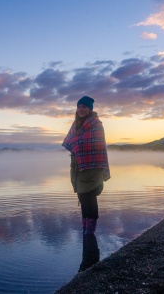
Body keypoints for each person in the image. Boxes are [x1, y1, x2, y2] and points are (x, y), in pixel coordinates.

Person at [62, 96, 110, 234]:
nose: (81, 109)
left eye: (84, 107)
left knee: (89, 196)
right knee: (82, 196)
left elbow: (98, 145)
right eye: (79, 107)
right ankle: (85, 225)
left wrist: (80, 147)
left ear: (89, 109)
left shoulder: (96, 124)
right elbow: (70, 142)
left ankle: (91, 228)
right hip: (78, 166)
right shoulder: (76, 124)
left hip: (92, 166)